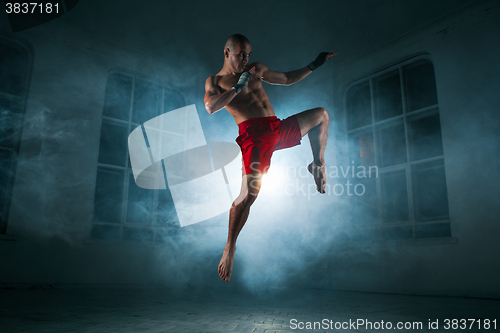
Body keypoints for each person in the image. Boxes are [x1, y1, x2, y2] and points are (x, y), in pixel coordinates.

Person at [204, 34, 335, 282]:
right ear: (227, 53)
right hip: (254, 137)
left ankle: (317, 163)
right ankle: (229, 246)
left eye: (248, 55)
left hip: (276, 129)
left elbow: (286, 79)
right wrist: (237, 87)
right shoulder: (216, 81)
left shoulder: (256, 69)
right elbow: (211, 107)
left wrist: (315, 64)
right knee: (249, 196)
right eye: (241, 54)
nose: (246, 60)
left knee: (321, 115)